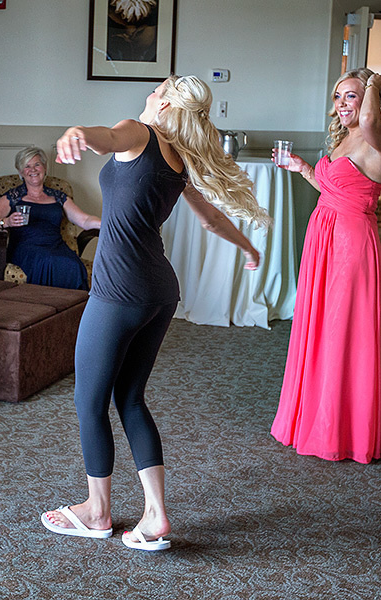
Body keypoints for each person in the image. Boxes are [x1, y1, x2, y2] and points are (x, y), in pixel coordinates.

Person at [39, 75, 270, 551]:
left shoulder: (139, 132)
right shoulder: (177, 157)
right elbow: (210, 216)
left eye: (157, 88)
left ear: (164, 103)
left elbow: (108, 134)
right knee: (129, 398)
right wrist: (246, 243)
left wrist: (79, 131)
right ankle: (156, 515)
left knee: (88, 402)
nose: (149, 92)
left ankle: (96, 512)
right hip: (159, 292)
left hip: (119, 290)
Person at [271, 69, 381, 464]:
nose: (342, 104)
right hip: (323, 239)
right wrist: (301, 168)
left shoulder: (379, 135)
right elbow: (333, 187)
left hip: (350, 244)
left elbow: (372, 119)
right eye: (338, 96)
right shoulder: (344, 139)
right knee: (320, 327)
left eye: (352, 96)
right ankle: (315, 417)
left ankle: (343, 431)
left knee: (343, 331)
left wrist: (372, 79)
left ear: (370, 99)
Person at [0, 146, 101, 290]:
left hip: (56, 246)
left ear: (45, 168)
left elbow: (84, 220)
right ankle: (46, 308)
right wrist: (6, 221)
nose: (33, 170)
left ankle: (72, 311)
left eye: (37, 164)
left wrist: (107, 223)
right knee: (49, 261)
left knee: (74, 265)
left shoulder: (58, 196)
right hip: (26, 247)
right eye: (27, 166)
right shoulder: (13, 197)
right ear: (21, 172)